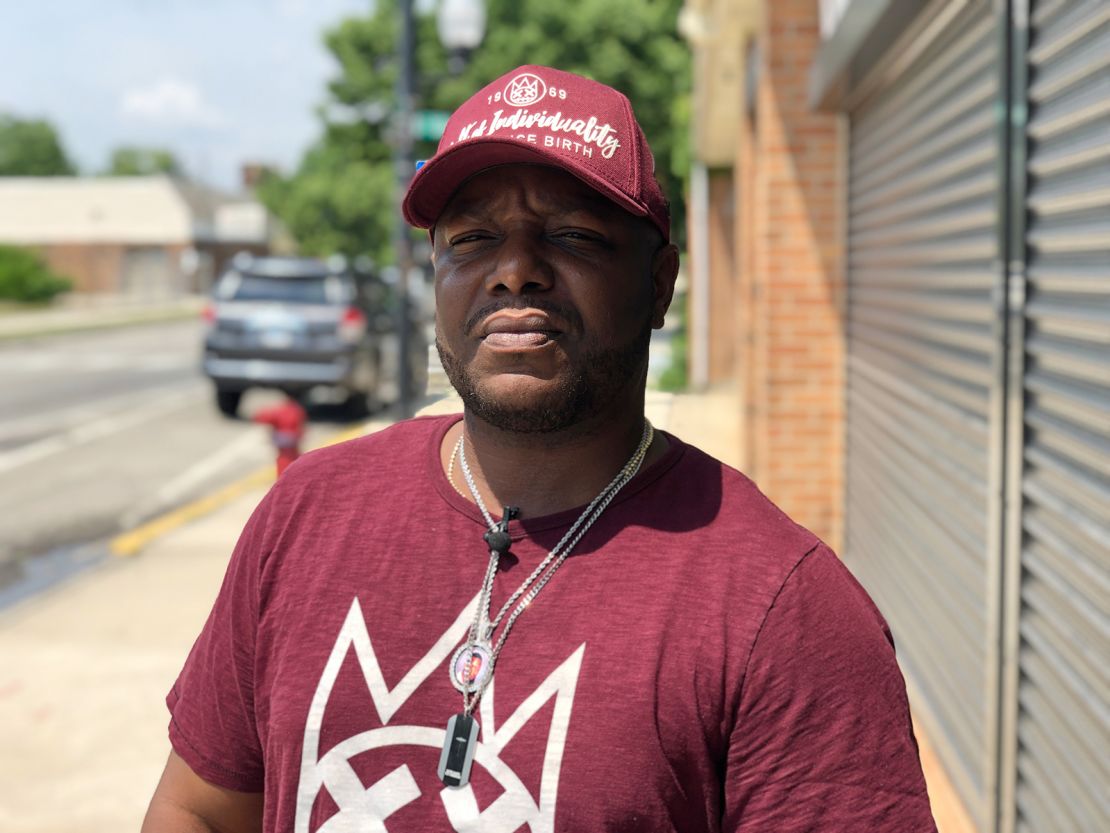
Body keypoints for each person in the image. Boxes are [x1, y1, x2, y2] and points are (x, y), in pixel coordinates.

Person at [143, 65, 937, 832]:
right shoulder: (308, 513)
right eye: (473, 238)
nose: (514, 271)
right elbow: (200, 810)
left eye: (571, 234)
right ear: (436, 273)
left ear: (660, 283)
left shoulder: (780, 606)